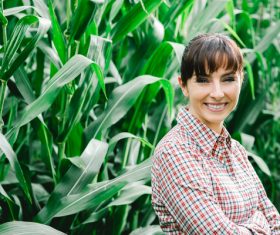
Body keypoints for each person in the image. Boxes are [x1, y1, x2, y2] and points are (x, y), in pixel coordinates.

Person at [151, 33, 280, 234]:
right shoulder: (174, 153)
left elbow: (273, 218)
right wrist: (259, 225)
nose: (218, 93)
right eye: (203, 80)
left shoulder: (235, 150)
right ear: (183, 85)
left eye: (228, 79)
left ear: (241, 80)